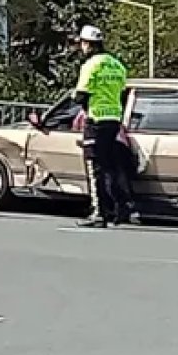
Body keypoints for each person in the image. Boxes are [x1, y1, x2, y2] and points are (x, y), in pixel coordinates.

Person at [70, 25, 132, 228]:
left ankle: (99, 213)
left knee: (94, 166)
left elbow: (81, 94)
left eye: (82, 43)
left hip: (95, 119)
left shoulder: (91, 65)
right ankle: (119, 210)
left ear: (88, 44)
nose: (81, 47)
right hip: (114, 120)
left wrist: (78, 99)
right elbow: (123, 93)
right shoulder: (117, 65)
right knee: (110, 166)